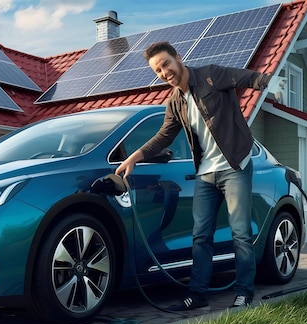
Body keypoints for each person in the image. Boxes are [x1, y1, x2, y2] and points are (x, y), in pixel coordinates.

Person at [115, 41, 272, 310]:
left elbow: (247, 77)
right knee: (200, 236)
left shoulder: (211, 75)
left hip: (235, 166)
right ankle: (197, 295)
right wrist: (134, 157)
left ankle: (244, 293)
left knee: (240, 234)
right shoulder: (175, 102)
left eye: (165, 64)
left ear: (178, 58)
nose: (164, 72)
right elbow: (163, 136)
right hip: (206, 173)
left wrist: (271, 84)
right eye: (158, 71)